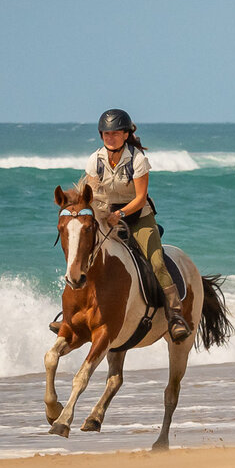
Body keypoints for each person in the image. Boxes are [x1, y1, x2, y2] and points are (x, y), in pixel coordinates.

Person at [76, 109, 190, 342]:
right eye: (106, 133)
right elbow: (92, 195)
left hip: (138, 217)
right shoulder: (94, 160)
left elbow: (139, 198)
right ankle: (72, 315)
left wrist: (120, 213)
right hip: (106, 217)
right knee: (82, 256)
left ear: (126, 135)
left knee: (157, 262)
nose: (110, 137)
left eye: (116, 133)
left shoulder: (137, 160)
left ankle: (175, 316)